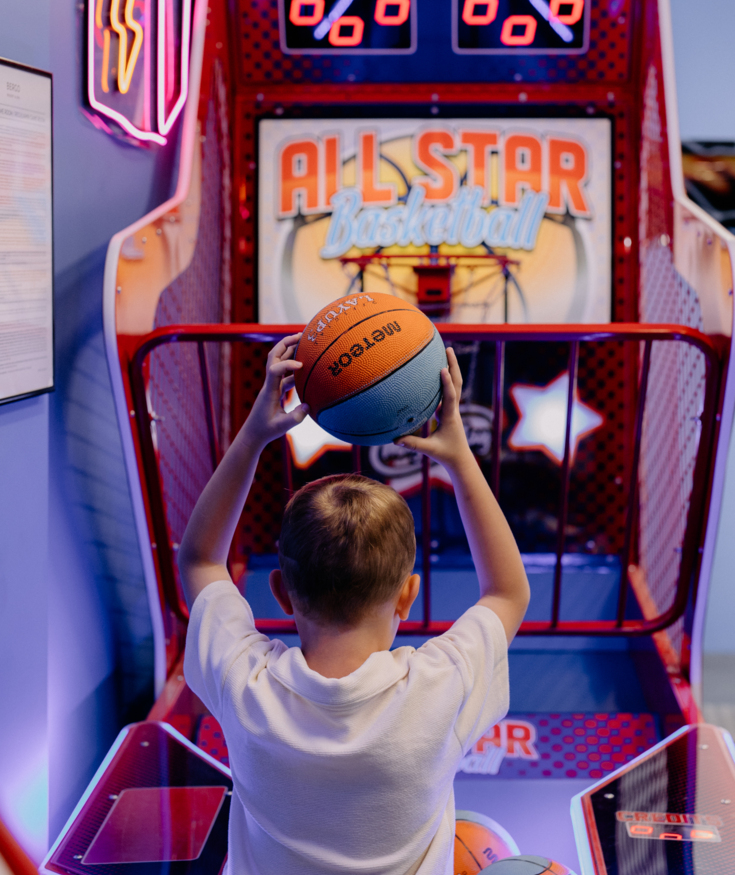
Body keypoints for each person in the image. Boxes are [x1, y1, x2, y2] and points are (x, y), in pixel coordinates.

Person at [179, 333, 531, 875]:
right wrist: (460, 458)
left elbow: (201, 559)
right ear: (407, 596)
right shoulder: (442, 685)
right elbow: (508, 591)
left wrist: (253, 436)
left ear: (280, 593)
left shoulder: (243, 683)